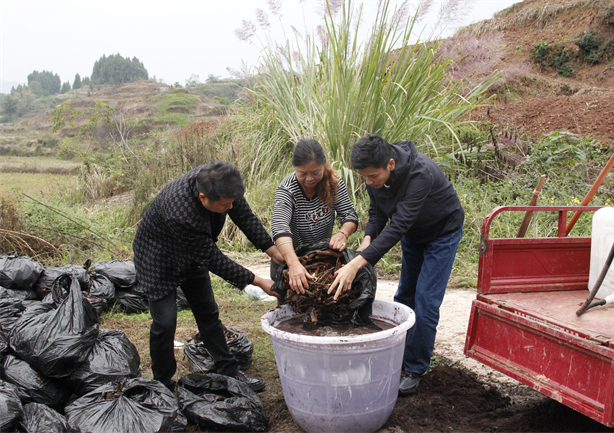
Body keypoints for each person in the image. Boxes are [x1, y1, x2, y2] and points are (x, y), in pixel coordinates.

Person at [328, 134, 464, 396]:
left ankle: (414, 368)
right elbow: (378, 212)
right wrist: (369, 237)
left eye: (372, 177)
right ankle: (398, 355)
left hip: (442, 233)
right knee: (404, 296)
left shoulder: (420, 174)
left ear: (390, 164)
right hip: (414, 235)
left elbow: (399, 224)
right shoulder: (374, 174)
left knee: (425, 300)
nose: (369, 182)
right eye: (364, 177)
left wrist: (357, 263)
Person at [133, 161, 284, 393]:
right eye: (225, 205)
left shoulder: (222, 183)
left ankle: (227, 368)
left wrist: (274, 252)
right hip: (158, 258)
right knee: (165, 322)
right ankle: (163, 384)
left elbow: (245, 217)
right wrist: (259, 280)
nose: (230, 206)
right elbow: (214, 259)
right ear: (203, 198)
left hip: (192, 256)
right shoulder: (180, 213)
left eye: (232, 202)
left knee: (207, 313)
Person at [271, 138, 358, 293]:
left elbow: (349, 216)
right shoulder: (287, 190)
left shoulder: (333, 183)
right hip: (292, 258)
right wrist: (293, 264)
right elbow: (279, 227)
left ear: (323, 166)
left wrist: (342, 234)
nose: (309, 179)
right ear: (295, 169)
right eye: (302, 173)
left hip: (322, 259)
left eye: (315, 172)